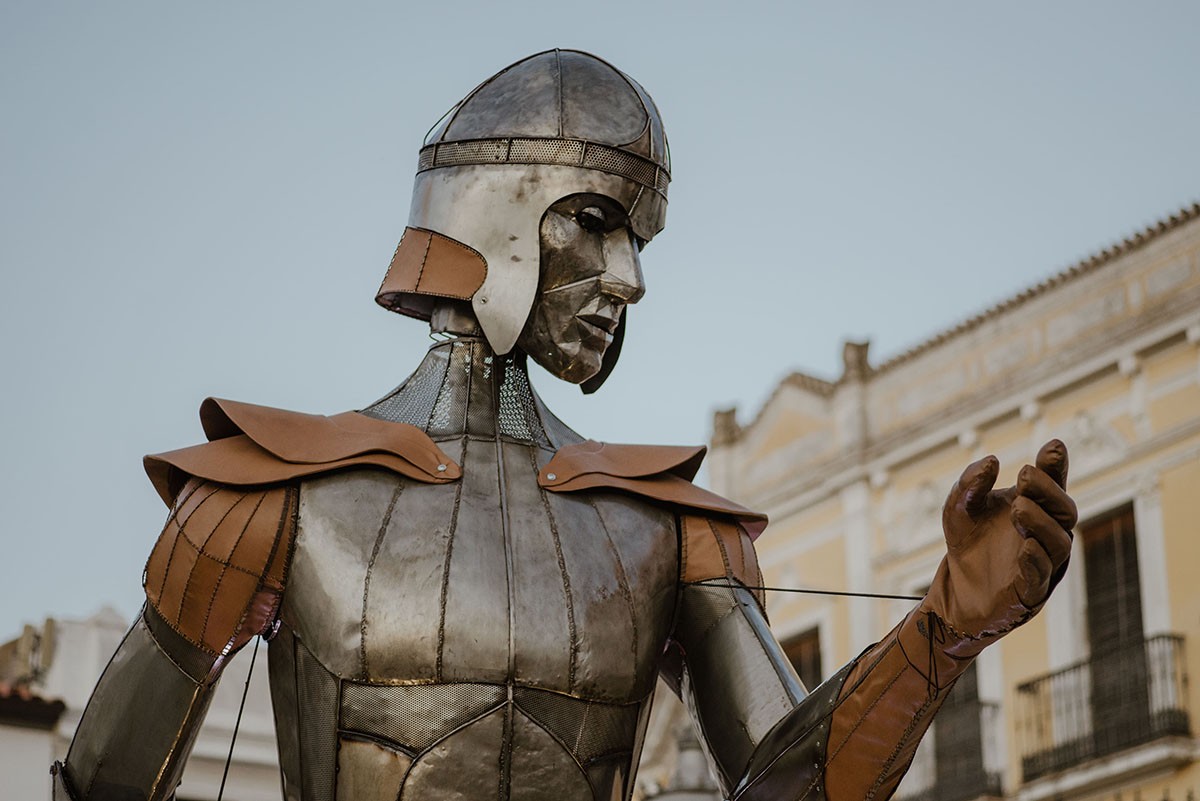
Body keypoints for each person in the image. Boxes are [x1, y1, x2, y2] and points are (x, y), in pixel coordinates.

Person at [52, 49, 1077, 801]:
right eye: (595, 221)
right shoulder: (268, 494)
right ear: (493, 208)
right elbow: (98, 789)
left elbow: (788, 791)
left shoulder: (671, 527)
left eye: (637, 238)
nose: (627, 277)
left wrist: (946, 628)